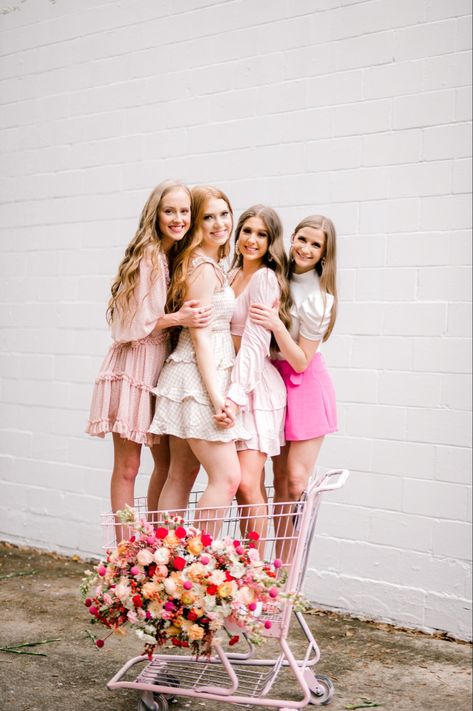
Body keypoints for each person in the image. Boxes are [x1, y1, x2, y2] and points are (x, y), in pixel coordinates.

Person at [86, 180, 211, 533]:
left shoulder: (175, 257)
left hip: (162, 369)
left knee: (168, 463)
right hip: (134, 366)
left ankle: (154, 545)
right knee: (128, 466)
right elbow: (131, 325)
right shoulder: (149, 256)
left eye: (184, 211)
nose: (178, 218)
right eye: (169, 211)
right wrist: (178, 318)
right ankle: (126, 550)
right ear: (155, 215)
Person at [148, 185, 249, 534]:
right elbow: (201, 337)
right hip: (197, 378)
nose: (219, 223)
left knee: (181, 473)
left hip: (190, 375)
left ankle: (165, 564)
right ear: (196, 224)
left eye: (224, 213)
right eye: (208, 216)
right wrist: (218, 398)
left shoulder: (207, 263)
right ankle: (199, 563)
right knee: (227, 476)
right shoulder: (202, 268)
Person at [249, 214, 338, 560]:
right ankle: (275, 565)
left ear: (325, 254)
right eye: (302, 239)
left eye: (316, 245)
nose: (306, 248)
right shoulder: (275, 278)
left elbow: (301, 360)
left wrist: (276, 324)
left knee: (297, 482)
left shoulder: (321, 299)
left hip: (304, 385)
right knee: (279, 479)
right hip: (273, 379)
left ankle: (289, 567)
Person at [216, 205, 291, 542]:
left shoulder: (265, 279)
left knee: (247, 484)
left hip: (254, 386)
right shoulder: (227, 274)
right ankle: (245, 566)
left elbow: (256, 342)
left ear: (271, 241)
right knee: (243, 486)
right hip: (225, 379)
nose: (252, 239)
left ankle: (255, 572)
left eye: (262, 234)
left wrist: (235, 394)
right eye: (247, 231)